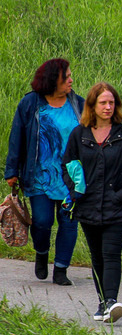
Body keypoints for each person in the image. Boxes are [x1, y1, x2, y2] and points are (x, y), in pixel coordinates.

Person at [61, 83, 122, 324]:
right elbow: (67, 165)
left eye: (111, 102)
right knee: (97, 257)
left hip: (117, 208)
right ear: (92, 106)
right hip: (87, 205)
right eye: (103, 103)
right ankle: (103, 303)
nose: (108, 107)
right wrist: (75, 191)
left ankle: (110, 302)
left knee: (111, 254)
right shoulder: (79, 134)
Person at [6, 58, 84, 286]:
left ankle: (61, 269)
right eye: (66, 77)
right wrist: (12, 170)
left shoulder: (78, 104)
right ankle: (42, 253)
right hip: (39, 176)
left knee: (69, 222)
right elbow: (17, 137)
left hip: (71, 179)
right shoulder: (30, 104)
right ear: (53, 80)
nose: (71, 80)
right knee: (42, 221)